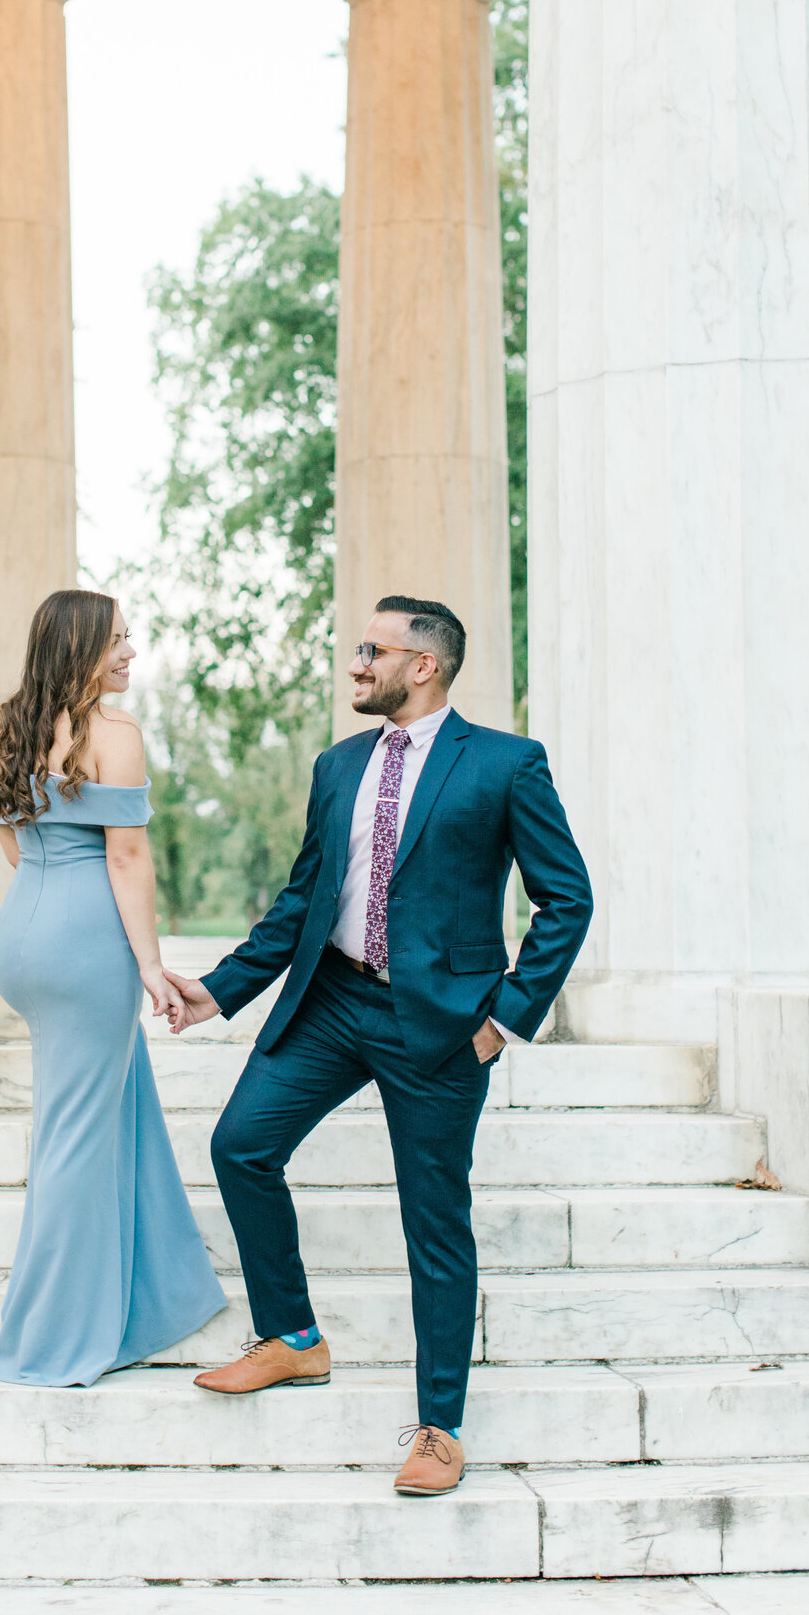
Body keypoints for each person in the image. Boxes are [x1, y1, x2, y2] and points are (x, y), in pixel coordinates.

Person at [163, 595, 592, 1494]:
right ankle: (293, 1338)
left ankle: (440, 1428)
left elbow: (567, 899)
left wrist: (504, 1018)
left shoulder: (507, 765)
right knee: (241, 1145)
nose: (356, 664)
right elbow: (302, 902)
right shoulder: (338, 765)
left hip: (438, 1027)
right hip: (331, 1003)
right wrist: (220, 990)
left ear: (423, 664)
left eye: (372, 649)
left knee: (435, 1221)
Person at [0, 588, 226, 1387]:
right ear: (77, 648)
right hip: (86, 948)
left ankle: (153, 1298)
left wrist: (52, 905)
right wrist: (150, 965)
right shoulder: (111, 732)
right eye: (115, 641)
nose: (129, 653)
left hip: (21, 938)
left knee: (120, 1104)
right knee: (74, 1138)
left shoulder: (10, 725)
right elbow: (126, 859)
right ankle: (45, 1341)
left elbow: (14, 842)